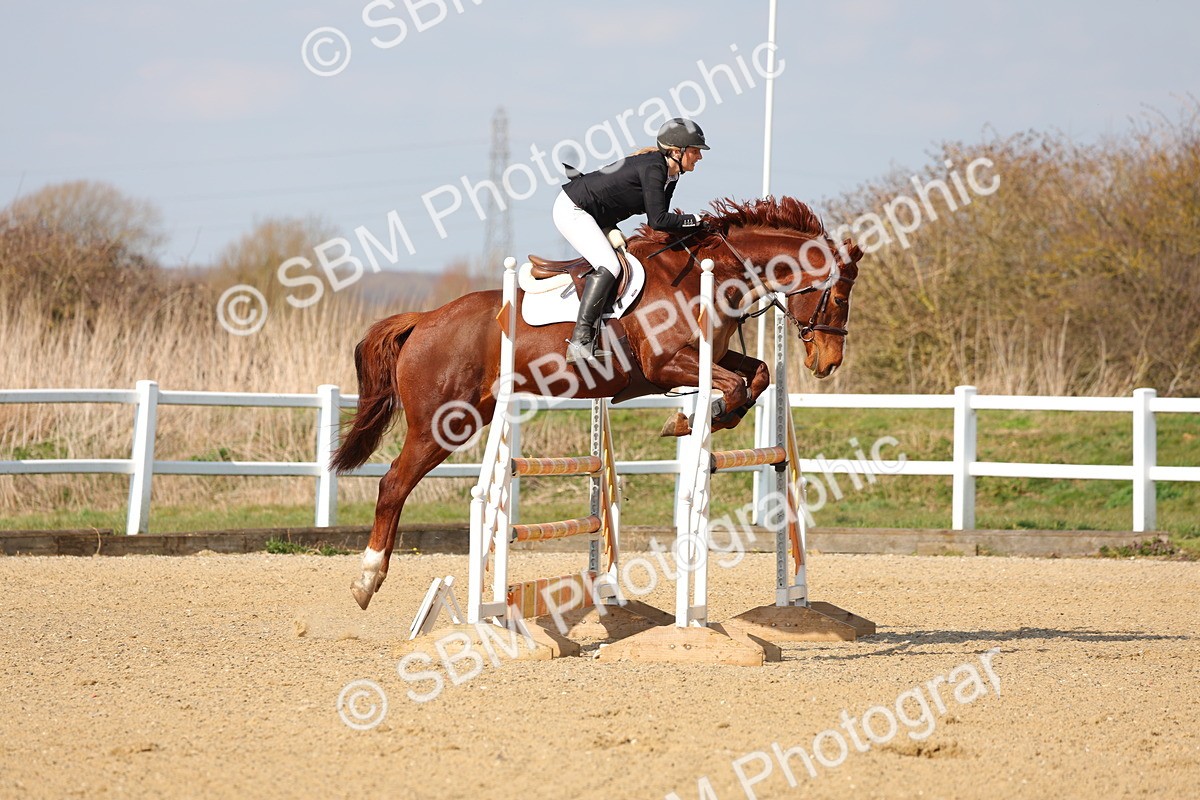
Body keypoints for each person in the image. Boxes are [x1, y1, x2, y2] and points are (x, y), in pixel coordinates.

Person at [553, 117, 710, 364]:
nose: (699, 157)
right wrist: (695, 220)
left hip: (595, 213)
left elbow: (663, 224)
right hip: (574, 209)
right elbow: (657, 220)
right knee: (611, 265)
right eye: (695, 151)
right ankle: (580, 341)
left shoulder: (672, 175)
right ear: (676, 152)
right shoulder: (654, 168)